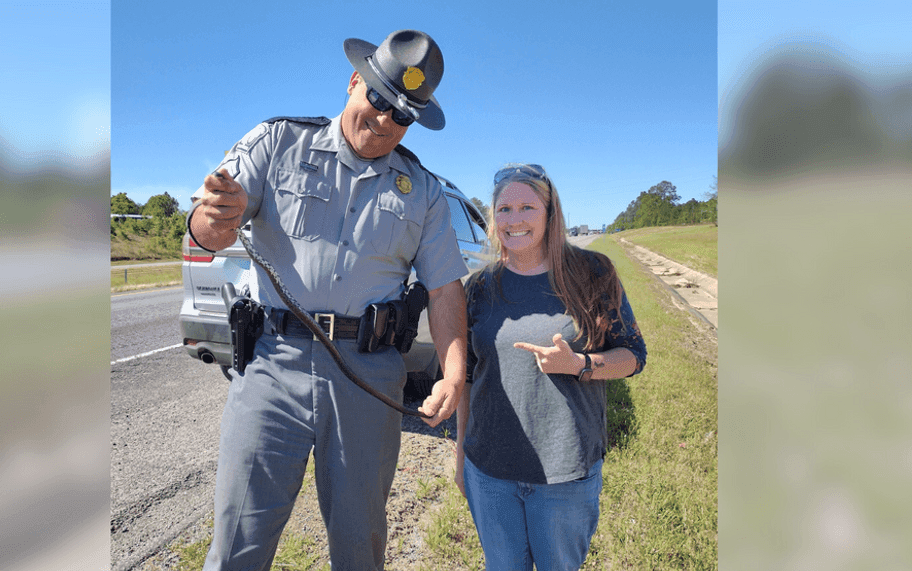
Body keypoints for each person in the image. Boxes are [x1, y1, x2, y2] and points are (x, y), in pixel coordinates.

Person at [187, 30, 468, 571]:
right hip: (271, 366)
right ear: (354, 80)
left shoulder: (425, 192)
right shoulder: (277, 142)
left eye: (403, 115)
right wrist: (215, 217)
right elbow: (209, 226)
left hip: (367, 378)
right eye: (380, 100)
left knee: (360, 544)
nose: (385, 121)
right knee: (238, 539)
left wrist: (453, 374)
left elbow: (444, 290)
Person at [455, 163, 647, 570]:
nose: (515, 219)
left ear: (550, 213)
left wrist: (580, 364)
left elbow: (633, 356)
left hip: (565, 475)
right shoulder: (479, 288)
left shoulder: (593, 273)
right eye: (504, 209)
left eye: (527, 207)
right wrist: (461, 461)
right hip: (490, 473)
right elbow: (468, 380)